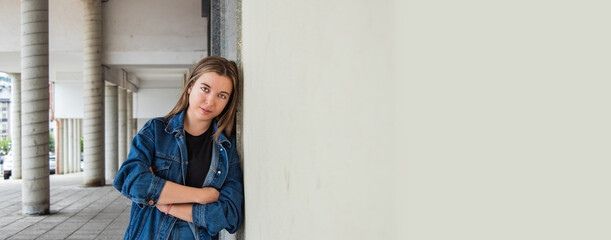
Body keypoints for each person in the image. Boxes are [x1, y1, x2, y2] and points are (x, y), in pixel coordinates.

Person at [114, 56, 243, 240]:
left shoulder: (226, 149)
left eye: (221, 95)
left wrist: (167, 205)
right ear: (190, 87)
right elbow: (131, 181)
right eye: (205, 89)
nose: (210, 101)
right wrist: (201, 196)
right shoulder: (156, 132)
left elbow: (230, 215)